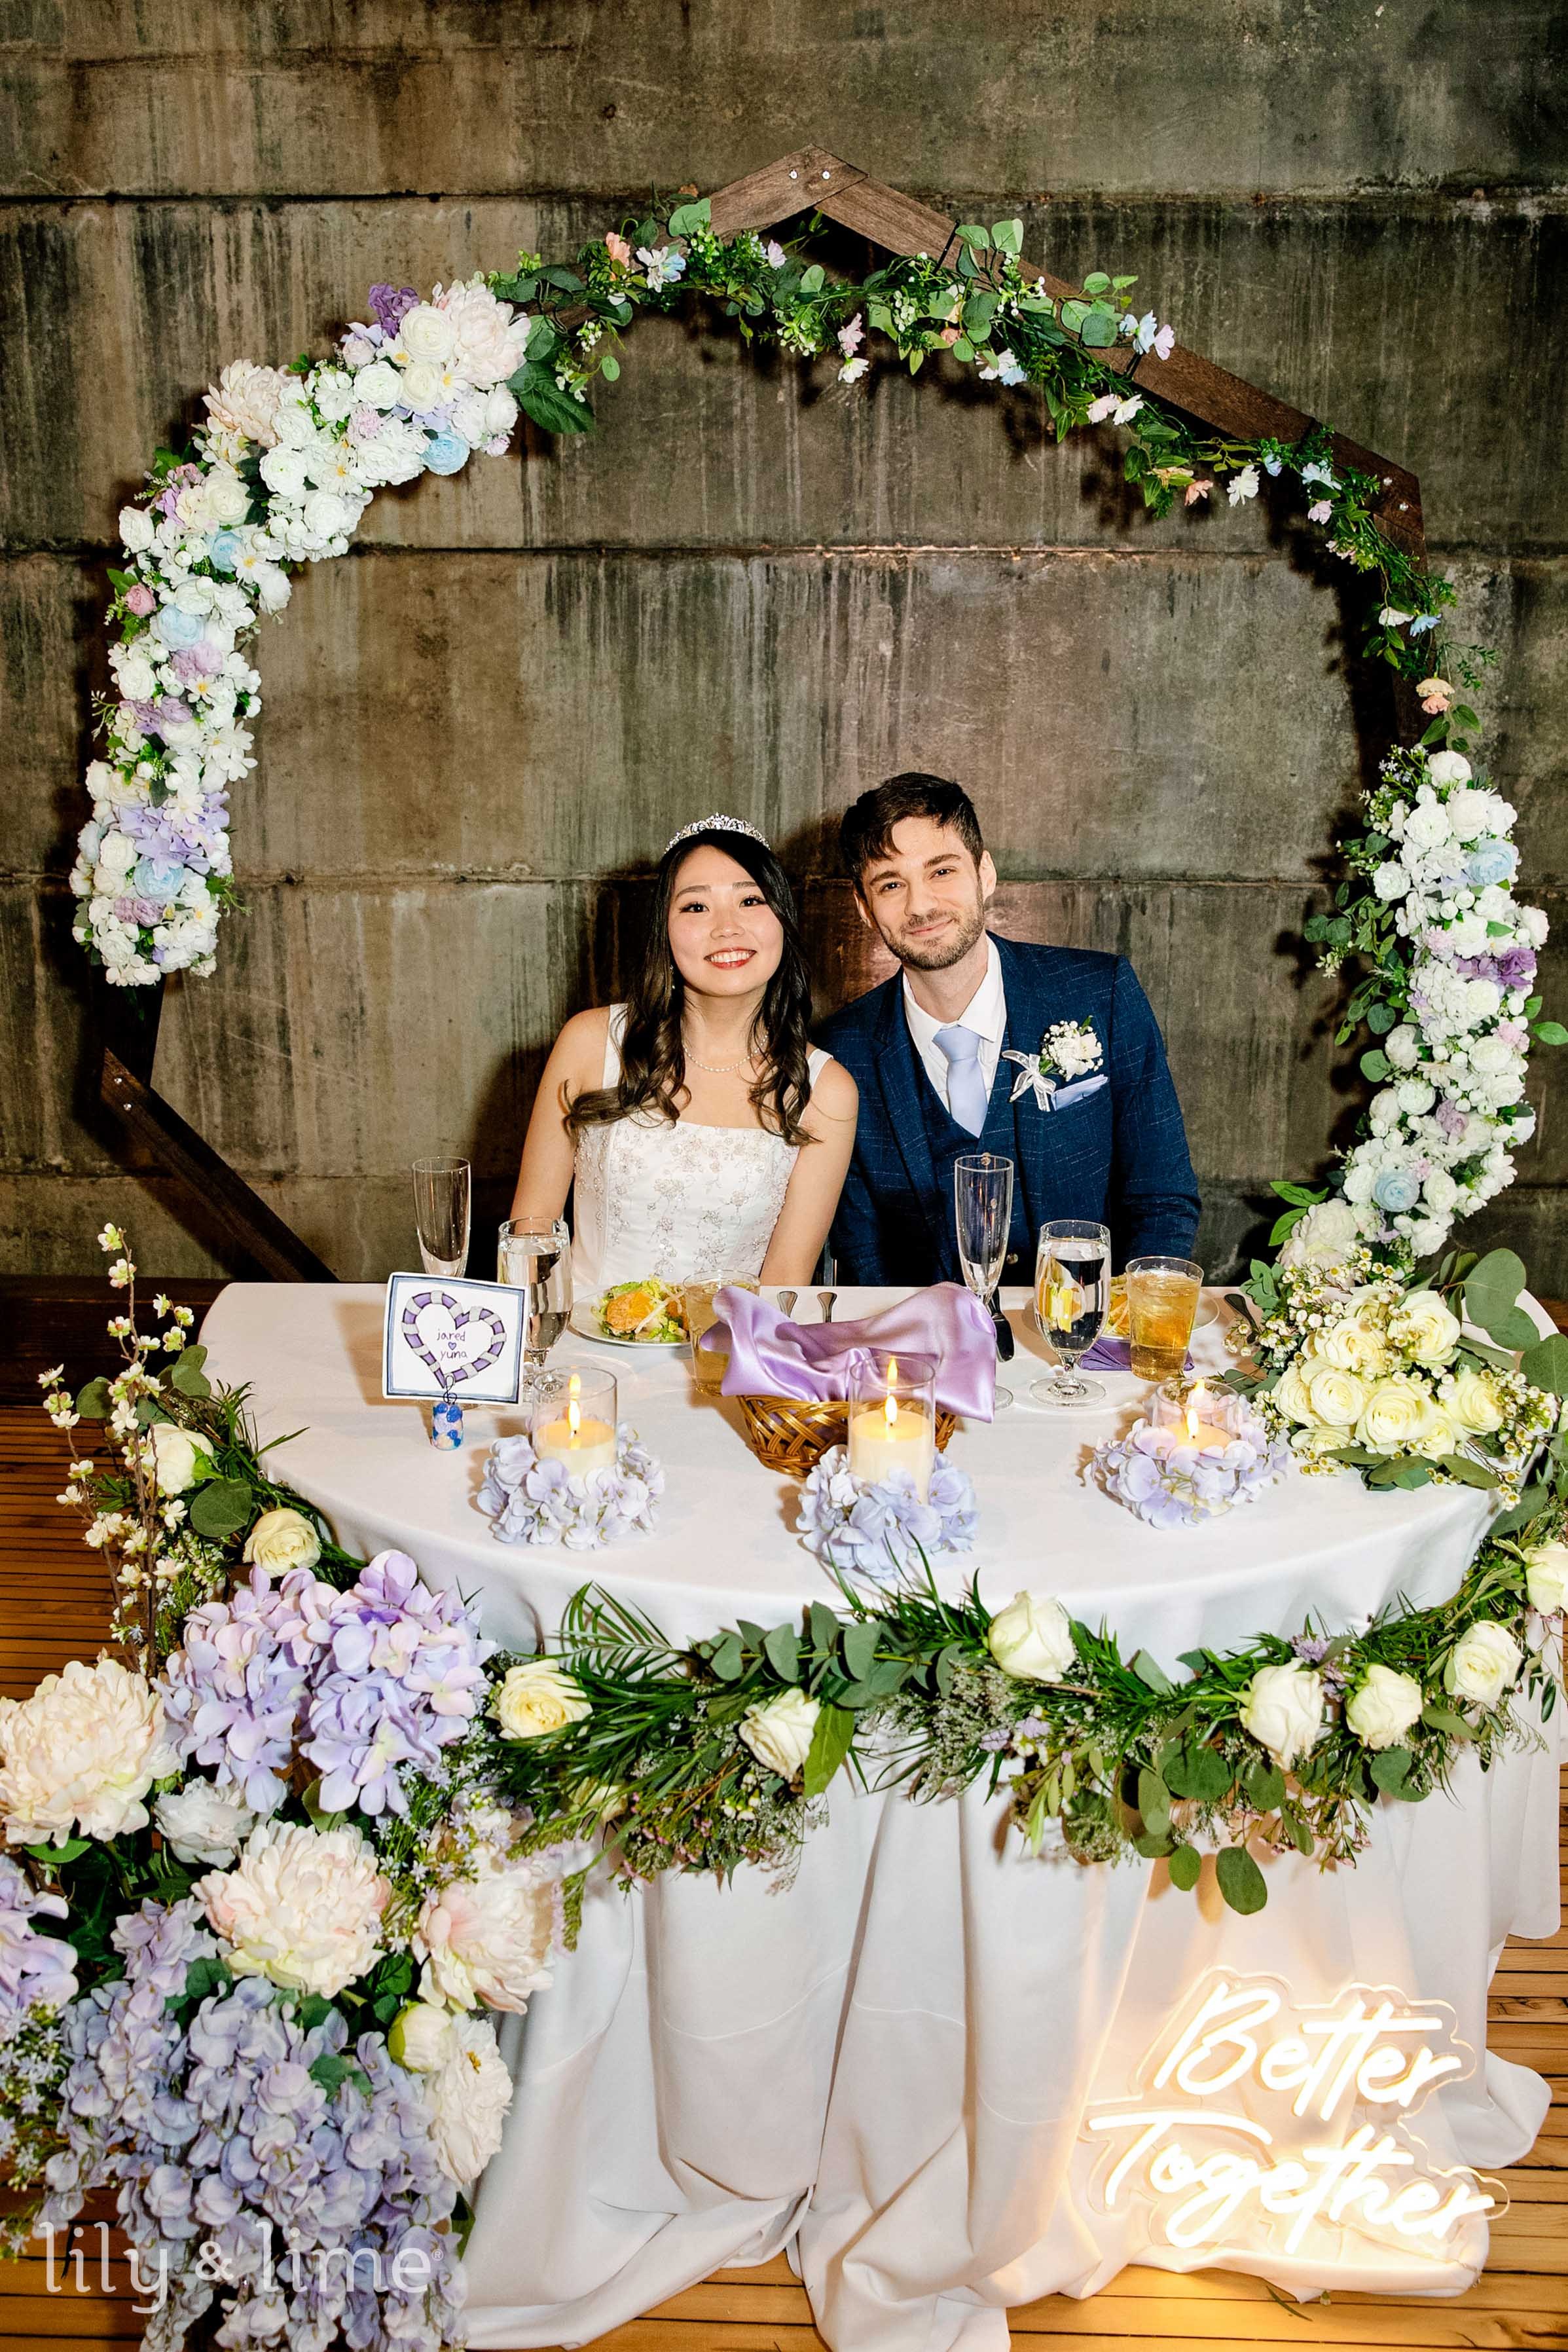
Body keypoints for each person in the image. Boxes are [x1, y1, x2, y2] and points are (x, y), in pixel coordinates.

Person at [817, 773, 1199, 1285]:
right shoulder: (840, 1050)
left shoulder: (1099, 993)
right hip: (924, 1330)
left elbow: (1162, 1197)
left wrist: (1120, 1320)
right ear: (865, 909)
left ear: (984, 873)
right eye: (891, 884)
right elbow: (861, 1253)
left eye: (941, 871)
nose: (920, 905)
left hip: (1089, 1323)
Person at [513, 816, 858, 1293]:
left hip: (732, 1338)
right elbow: (529, 1236)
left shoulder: (826, 1090)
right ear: (665, 931)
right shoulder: (590, 1041)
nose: (727, 928)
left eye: (750, 900)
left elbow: (785, 1282)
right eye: (696, 906)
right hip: (580, 1335)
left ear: (783, 919)